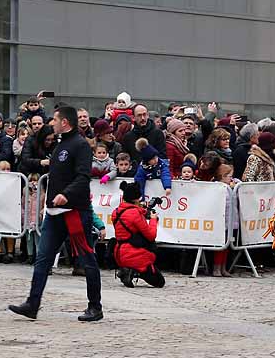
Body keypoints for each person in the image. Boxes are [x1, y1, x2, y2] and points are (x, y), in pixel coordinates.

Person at [9, 105, 102, 322]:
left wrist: (65, 195)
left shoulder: (80, 145)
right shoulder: (61, 144)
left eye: (56, 120)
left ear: (65, 123)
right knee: (43, 258)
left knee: (87, 257)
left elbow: (83, 177)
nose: (53, 123)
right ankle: (33, 303)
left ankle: (95, 306)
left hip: (74, 211)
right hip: (54, 212)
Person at [111, 181, 164, 288]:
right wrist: (153, 220)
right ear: (137, 198)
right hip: (134, 254)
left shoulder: (116, 211)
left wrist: (143, 211)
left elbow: (129, 213)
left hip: (119, 253)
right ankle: (132, 271)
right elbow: (151, 235)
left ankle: (127, 270)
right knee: (159, 282)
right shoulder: (135, 214)